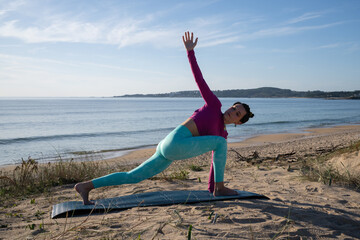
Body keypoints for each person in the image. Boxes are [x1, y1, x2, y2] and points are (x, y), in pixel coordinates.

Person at [75, 32, 254, 205]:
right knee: (221, 144)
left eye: (237, 113)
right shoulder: (214, 106)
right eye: (233, 107)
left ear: (238, 122)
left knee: (133, 176)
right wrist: (190, 52)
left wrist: (211, 188)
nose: (232, 111)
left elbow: (215, 164)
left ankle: (86, 186)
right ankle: (220, 188)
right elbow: (200, 80)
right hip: (175, 142)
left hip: (168, 146)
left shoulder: (221, 136)